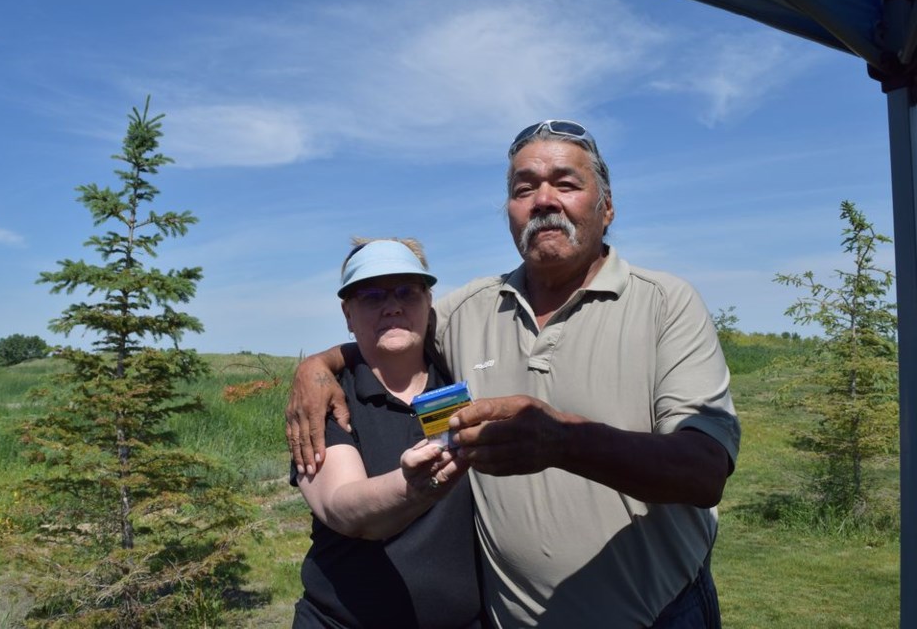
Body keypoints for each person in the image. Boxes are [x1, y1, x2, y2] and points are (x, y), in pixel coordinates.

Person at [285, 121, 741, 628]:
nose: (544, 199)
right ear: (509, 214)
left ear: (606, 208)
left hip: (659, 612)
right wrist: (317, 366)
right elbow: (391, 330)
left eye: (566, 183)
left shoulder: (665, 303)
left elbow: (704, 470)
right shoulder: (468, 312)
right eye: (524, 188)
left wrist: (563, 441)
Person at [290, 238, 484, 629]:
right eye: (372, 295)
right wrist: (410, 487)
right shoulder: (327, 397)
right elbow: (342, 508)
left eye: (407, 291)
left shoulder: (464, 376)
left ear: (430, 301)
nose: (392, 306)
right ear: (348, 313)